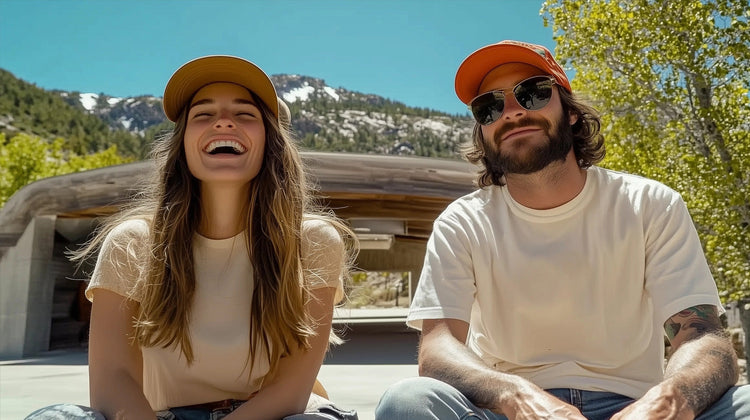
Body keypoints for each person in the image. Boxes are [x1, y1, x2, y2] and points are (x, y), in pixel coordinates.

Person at [375, 40, 750, 420]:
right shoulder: (462, 222)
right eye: (489, 107)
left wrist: (669, 400)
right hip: (507, 410)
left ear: (570, 112)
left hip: (635, 407)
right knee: (407, 401)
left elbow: (701, 333)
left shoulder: (649, 204)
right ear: (483, 130)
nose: (511, 113)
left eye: (533, 93)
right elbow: (439, 345)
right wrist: (516, 395)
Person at [26, 55, 358, 420]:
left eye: (245, 114)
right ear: (183, 144)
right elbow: (113, 380)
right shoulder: (132, 242)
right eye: (203, 114)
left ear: (271, 142)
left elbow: (291, 386)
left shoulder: (314, 241)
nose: (224, 121)